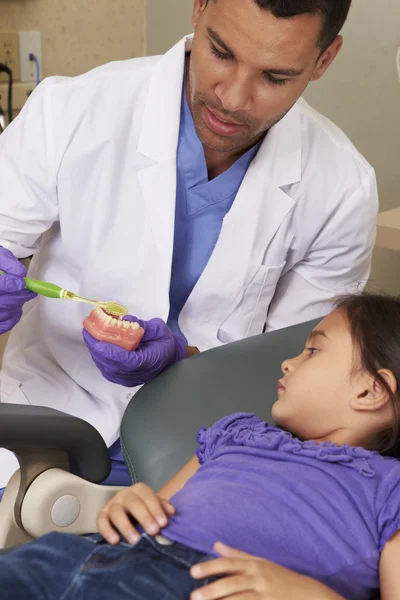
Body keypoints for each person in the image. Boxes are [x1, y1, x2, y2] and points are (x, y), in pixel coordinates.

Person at [0, 0, 377, 490]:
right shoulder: (72, 112)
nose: (234, 98)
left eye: (275, 78)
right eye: (221, 53)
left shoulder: (342, 189)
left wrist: (183, 361)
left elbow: (299, 381)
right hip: (43, 423)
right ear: (198, 8)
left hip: (211, 454)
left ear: (324, 60)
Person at [1, 292, 400, 599]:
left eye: (312, 350)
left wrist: (311, 594)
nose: (288, 362)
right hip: (78, 555)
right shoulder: (237, 434)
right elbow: (157, 511)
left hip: (199, 584)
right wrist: (127, 505)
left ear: (371, 390)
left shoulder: (390, 487)